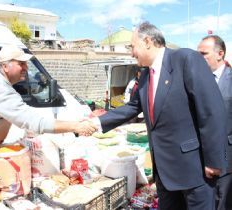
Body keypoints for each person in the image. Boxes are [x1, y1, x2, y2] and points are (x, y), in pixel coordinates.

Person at [92, 22, 228, 210]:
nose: (132, 53)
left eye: (133, 46)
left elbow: (211, 110)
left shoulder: (185, 59)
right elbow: (133, 107)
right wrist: (96, 123)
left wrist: (214, 161)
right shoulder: (146, 75)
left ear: (147, 41)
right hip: (164, 174)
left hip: (194, 170)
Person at [0, 45, 97, 180]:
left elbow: (24, 111)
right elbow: (32, 121)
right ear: (5, 67)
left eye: (25, 63)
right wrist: (76, 126)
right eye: (21, 63)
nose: (26, 67)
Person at [198, 35, 232, 210]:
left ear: (220, 54)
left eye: (204, 54)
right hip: (199, 159)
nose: (199, 58)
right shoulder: (195, 80)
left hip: (227, 158)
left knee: (223, 202)